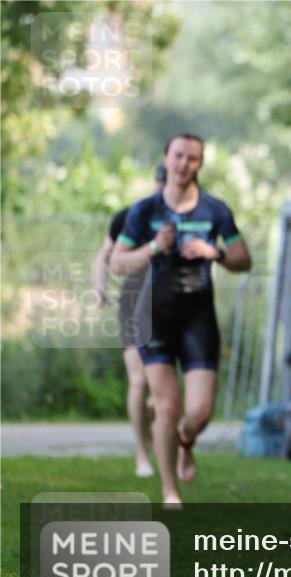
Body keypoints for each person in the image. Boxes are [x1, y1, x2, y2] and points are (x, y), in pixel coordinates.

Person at [110, 133, 252, 507]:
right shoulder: (145, 211)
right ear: (167, 158)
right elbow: (117, 262)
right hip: (153, 315)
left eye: (192, 158)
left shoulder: (215, 211)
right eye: (178, 156)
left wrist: (215, 253)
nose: (183, 164)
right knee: (168, 406)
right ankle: (170, 492)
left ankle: (186, 441)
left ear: (199, 164)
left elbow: (244, 259)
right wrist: (154, 247)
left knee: (200, 412)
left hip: (198, 316)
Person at [93, 163, 167, 478]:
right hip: (134, 302)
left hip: (168, 306)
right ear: (157, 182)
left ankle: (154, 430)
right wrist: (99, 286)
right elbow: (104, 255)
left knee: (160, 391)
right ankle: (142, 454)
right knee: (139, 381)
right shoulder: (132, 216)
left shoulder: (186, 220)